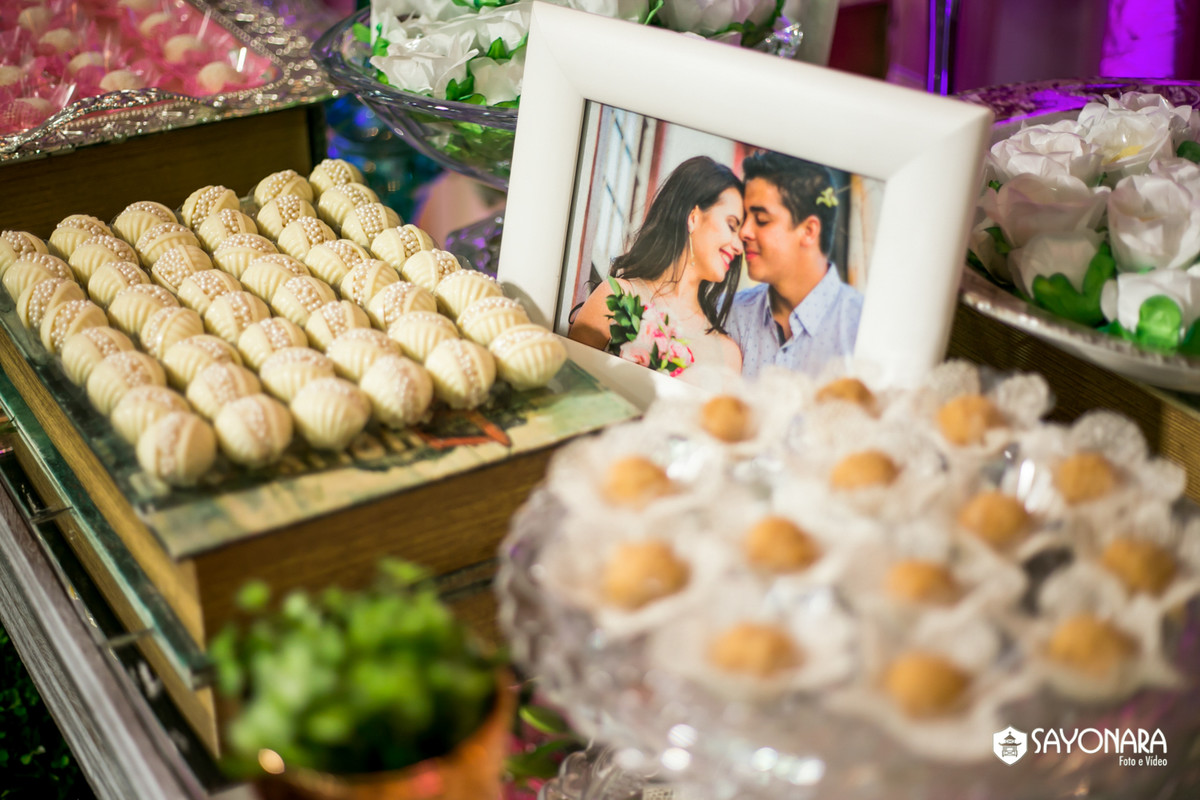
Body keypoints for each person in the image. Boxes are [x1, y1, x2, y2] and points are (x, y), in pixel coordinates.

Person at [570, 156, 744, 378]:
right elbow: (565, 387)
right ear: (693, 217)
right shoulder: (615, 298)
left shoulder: (728, 356)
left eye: (742, 237)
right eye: (731, 225)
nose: (739, 247)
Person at [727, 151, 863, 379]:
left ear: (809, 231)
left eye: (761, 220)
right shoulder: (730, 314)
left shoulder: (861, 327)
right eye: (744, 218)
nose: (744, 232)